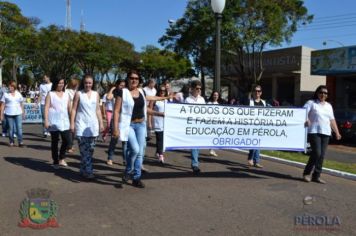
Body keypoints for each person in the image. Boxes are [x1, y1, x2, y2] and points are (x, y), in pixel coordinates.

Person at [112, 70, 163, 188]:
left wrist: (159, 114)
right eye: (131, 78)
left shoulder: (141, 92)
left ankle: (136, 178)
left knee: (140, 153)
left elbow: (146, 110)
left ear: (139, 80)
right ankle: (128, 170)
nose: (134, 80)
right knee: (134, 149)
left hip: (141, 125)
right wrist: (115, 128)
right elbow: (116, 110)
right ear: (128, 79)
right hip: (128, 125)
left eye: (136, 78)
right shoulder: (122, 92)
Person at [303, 85, 342, 184]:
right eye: (321, 92)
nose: (323, 94)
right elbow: (303, 112)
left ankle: (316, 176)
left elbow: (332, 119)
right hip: (314, 131)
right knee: (317, 153)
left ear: (327, 95)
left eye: (325, 93)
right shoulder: (311, 103)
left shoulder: (329, 106)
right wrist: (306, 119)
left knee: (321, 155)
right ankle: (307, 173)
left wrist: (337, 132)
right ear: (317, 93)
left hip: (326, 132)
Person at [70, 74, 104, 180]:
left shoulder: (96, 94)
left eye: (90, 83)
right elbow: (74, 109)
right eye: (86, 83)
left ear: (92, 83)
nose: (88, 85)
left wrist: (101, 123)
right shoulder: (79, 94)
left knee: (91, 150)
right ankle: (89, 172)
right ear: (83, 83)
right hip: (81, 125)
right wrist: (72, 123)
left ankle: (82, 169)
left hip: (93, 126)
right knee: (85, 151)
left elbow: (98, 109)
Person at [44, 77, 71, 169]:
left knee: (67, 140)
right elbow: (46, 107)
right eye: (59, 83)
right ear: (55, 83)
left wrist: (72, 120)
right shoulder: (51, 94)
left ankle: (61, 158)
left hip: (65, 121)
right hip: (53, 121)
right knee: (55, 142)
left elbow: (69, 108)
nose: (61, 85)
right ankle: (55, 161)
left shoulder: (66, 94)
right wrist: (46, 120)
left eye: (62, 83)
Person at [185, 80, 206, 174]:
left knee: (197, 146)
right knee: (194, 145)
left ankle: (195, 161)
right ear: (192, 89)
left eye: (200, 89)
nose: (198, 90)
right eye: (197, 88)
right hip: (192, 125)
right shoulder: (187, 100)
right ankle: (195, 164)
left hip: (200, 125)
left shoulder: (202, 99)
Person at [106, 79, 126, 166]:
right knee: (114, 140)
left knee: (125, 141)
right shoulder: (114, 93)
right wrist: (112, 89)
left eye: (124, 85)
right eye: (121, 85)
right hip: (116, 120)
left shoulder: (126, 93)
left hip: (125, 119)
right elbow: (108, 97)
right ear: (117, 85)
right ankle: (110, 158)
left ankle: (125, 159)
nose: (122, 87)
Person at [0, 81, 25, 147]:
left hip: (18, 113)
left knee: (19, 128)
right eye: (9, 86)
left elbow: (21, 104)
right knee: (11, 129)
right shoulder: (5, 94)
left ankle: (20, 142)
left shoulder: (18, 94)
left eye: (11, 86)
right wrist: (1, 115)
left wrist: (23, 113)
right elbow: (2, 105)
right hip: (8, 114)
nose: (9, 87)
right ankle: (11, 141)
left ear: (14, 87)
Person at [247, 85, 266, 168]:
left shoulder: (264, 102)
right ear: (253, 92)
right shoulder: (249, 102)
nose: (257, 92)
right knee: (254, 143)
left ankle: (256, 161)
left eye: (259, 91)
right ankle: (251, 158)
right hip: (251, 125)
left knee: (258, 143)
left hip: (260, 126)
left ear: (261, 93)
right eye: (255, 91)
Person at [65, 76, 80, 153]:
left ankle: (71, 144)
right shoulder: (67, 91)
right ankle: (69, 146)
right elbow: (68, 103)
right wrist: (71, 112)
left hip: (77, 111)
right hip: (70, 111)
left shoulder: (77, 91)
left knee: (74, 130)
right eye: (76, 84)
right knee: (71, 129)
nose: (77, 85)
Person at [152, 86, 167, 164]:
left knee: (161, 140)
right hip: (157, 122)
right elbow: (150, 110)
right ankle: (161, 155)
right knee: (160, 139)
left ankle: (158, 151)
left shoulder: (167, 100)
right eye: (161, 90)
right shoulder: (155, 100)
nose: (162, 92)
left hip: (166, 123)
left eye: (164, 91)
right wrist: (150, 123)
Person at [207, 91, 223, 157]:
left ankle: (212, 150)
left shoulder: (219, 104)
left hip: (217, 122)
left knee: (215, 136)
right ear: (212, 95)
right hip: (210, 122)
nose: (215, 96)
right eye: (214, 95)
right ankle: (211, 149)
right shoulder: (209, 103)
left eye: (217, 95)